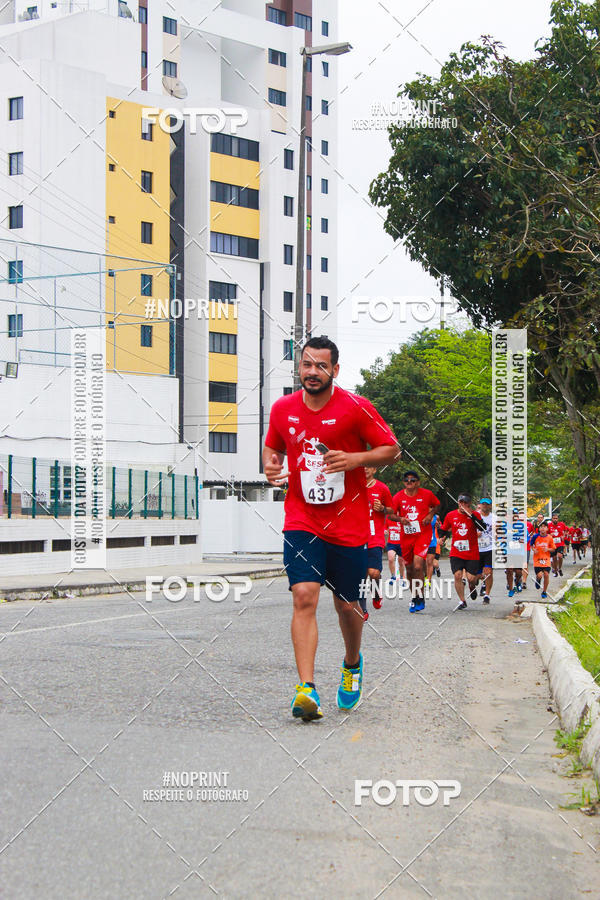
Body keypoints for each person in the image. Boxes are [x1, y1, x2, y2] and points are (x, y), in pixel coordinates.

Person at [263, 336, 399, 721]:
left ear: (335, 370)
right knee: (304, 594)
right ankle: (305, 689)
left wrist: (355, 458)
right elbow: (272, 449)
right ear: (299, 368)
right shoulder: (283, 409)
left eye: (321, 366)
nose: (312, 372)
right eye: (307, 365)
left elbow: (391, 449)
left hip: (349, 525)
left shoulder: (357, 408)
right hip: (302, 520)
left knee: (346, 604)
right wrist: (272, 466)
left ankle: (352, 664)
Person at [388, 471, 440, 612]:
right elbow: (391, 514)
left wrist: (430, 515)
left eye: (412, 480)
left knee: (418, 566)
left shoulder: (427, 494)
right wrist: (400, 519)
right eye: (406, 480)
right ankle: (414, 596)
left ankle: (421, 596)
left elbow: (436, 505)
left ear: (418, 482)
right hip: (406, 537)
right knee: (410, 569)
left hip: (422, 535)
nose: (409, 482)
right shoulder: (398, 496)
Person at [439, 493, 485, 610]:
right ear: (458, 503)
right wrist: (441, 538)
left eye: (465, 503)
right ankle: (462, 600)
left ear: (469, 504)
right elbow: (444, 529)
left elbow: (482, 527)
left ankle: (472, 586)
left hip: (471, 552)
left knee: (471, 578)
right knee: (457, 575)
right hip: (456, 552)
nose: (463, 505)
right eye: (461, 503)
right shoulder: (451, 515)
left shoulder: (475, 515)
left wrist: (472, 516)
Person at [364, 467, 394, 616]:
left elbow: (391, 509)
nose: (364, 469)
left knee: (374, 573)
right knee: (360, 574)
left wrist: (382, 508)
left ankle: (376, 594)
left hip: (375, 536)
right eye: (362, 465)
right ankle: (362, 609)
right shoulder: (353, 485)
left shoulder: (382, 488)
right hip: (355, 536)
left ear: (374, 469)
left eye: (368, 466)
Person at [475, 498, 494, 604]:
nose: (485, 506)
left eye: (487, 504)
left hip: (490, 548)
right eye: (483, 504)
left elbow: (500, 531)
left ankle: (487, 595)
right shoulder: (474, 516)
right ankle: (477, 581)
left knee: (488, 572)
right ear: (480, 505)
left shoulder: (494, 518)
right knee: (474, 577)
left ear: (490, 506)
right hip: (477, 549)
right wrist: (474, 534)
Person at [530, 521, 555, 598]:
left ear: (547, 528)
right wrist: (534, 550)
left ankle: (544, 591)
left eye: (544, 527)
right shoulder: (535, 537)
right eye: (541, 527)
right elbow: (531, 545)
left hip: (546, 559)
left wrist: (548, 549)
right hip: (537, 559)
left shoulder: (550, 538)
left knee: (546, 574)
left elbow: (553, 549)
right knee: (540, 575)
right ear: (539, 528)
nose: (543, 528)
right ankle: (538, 579)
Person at [386, 518, 406, 584]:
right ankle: (393, 577)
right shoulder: (388, 517)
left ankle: (401, 578)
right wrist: (385, 530)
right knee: (390, 558)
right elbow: (384, 527)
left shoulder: (403, 516)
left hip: (401, 543)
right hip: (391, 543)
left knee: (401, 562)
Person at [425, 513, 441, 586]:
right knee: (423, 563)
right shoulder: (420, 515)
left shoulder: (436, 517)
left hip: (432, 542)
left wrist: (438, 525)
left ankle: (428, 581)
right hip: (422, 542)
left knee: (430, 562)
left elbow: (441, 527)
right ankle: (426, 576)